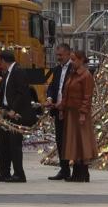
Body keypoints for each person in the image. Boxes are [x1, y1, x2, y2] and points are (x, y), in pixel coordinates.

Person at [0, 48, 37, 183]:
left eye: (0, 61)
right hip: (6, 112)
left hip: (15, 114)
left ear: (3, 60)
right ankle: (4, 172)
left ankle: (19, 174)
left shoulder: (18, 71)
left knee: (14, 144)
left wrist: (14, 109)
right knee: (4, 144)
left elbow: (22, 93)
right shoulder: (8, 73)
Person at [59, 49, 97, 183]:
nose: (72, 62)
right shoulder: (72, 74)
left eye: (74, 59)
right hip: (71, 112)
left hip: (80, 114)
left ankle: (82, 172)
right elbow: (66, 93)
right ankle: (77, 171)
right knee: (74, 142)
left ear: (81, 60)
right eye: (71, 59)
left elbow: (87, 96)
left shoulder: (85, 75)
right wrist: (62, 108)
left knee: (82, 142)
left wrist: (83, 113)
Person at [43, 43, 72, 181]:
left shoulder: (74, 69)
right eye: (57, 55)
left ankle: (76, 169)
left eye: (60, 55)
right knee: (60, 140)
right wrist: (49, 98)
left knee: (70, 141)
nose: (58, 58)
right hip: (57, 110)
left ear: (68, 54)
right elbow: (52, 87)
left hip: (70, 111)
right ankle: (64, 169)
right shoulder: (56, 70)